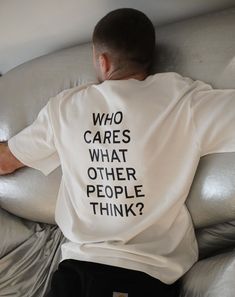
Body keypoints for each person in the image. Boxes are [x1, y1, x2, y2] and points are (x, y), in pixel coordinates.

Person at [0, 7, 235, 297]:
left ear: (103, 61)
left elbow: (5, 161)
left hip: (77, 270)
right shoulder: (183, 102)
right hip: (144, 274)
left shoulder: (65, 107)